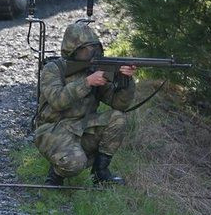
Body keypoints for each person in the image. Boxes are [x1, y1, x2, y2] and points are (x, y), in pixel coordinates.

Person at [34, 22, 136, 186]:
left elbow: (119, 104)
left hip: (82, 126)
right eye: (85, 49)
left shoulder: (94, 70)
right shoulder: (53, 69)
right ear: (72, 49)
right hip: (52, 129)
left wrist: (126, 80)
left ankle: (100, 173)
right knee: (75, 163)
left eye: (94, 48)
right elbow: (57, 101)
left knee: (118, 118)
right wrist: (87, 82)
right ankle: (56, 174)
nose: (91, 53)